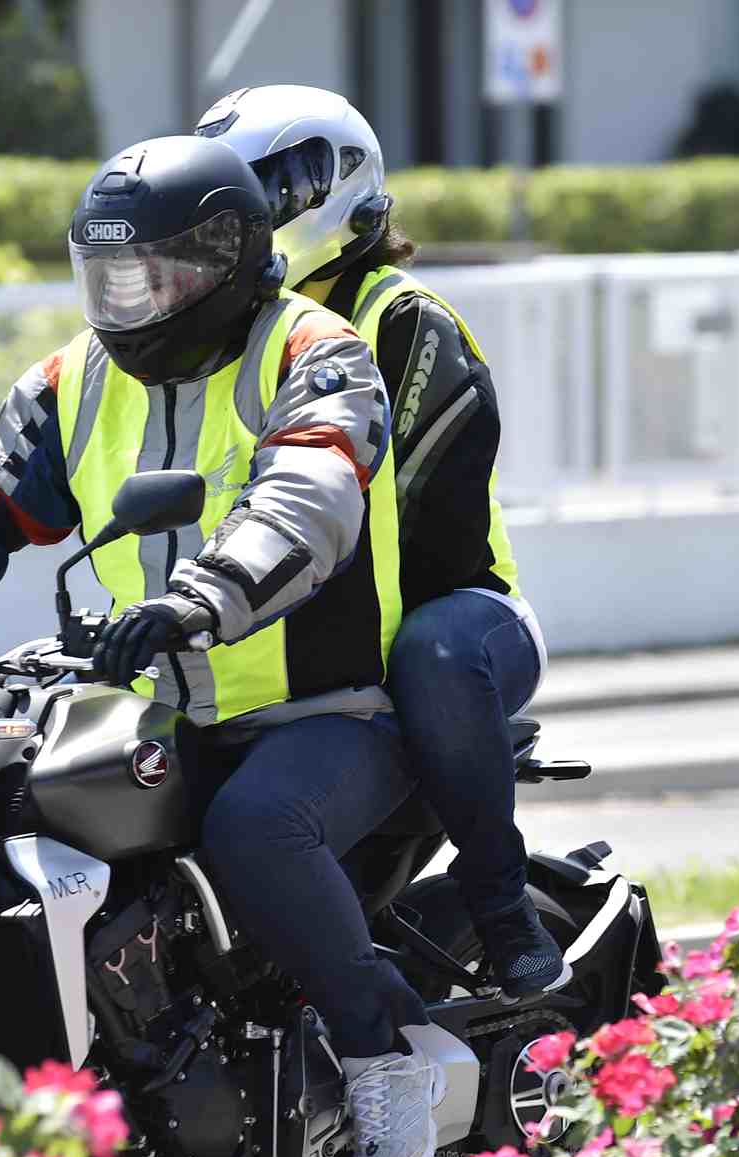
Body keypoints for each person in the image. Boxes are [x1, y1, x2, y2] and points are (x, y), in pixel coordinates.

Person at [0, 136, 447, 1157]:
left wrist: (199, 599)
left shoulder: (313, 351)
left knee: (257, 826)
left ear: (230, 257)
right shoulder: (73, 379)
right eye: (113, 275)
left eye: (159, 272)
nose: (134, 298)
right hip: (149, 708)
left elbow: (307, 500)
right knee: (0, 804)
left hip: (321, 707)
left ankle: (381, 1058)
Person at [196, 85, 568, 1000]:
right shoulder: (227, 334)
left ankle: (503, 907)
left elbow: (422, 525)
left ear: (338, 185)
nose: (248, 217)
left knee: (430, 652)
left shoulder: (403, 320)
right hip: (294, 622)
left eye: (267, 190)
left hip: (463, 612)